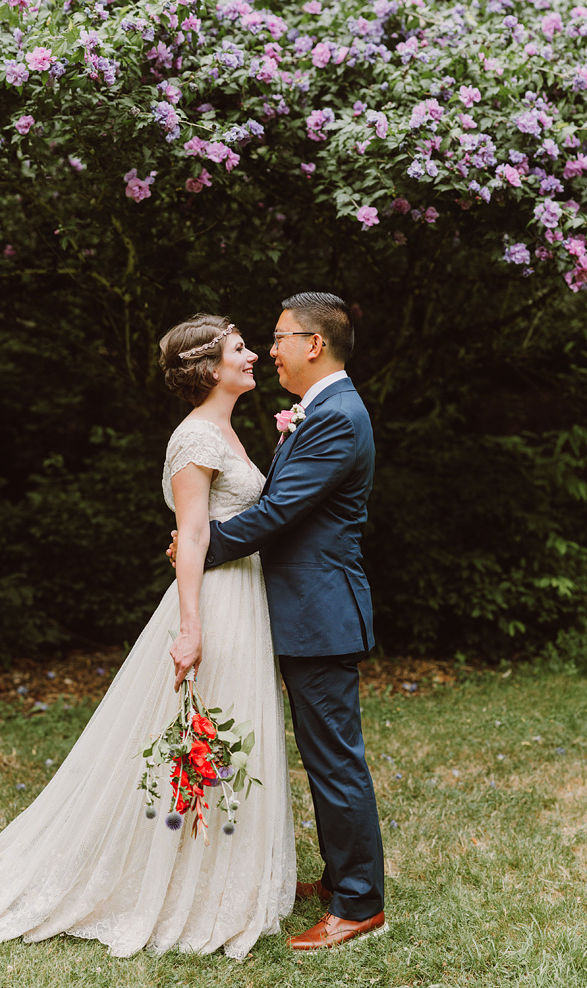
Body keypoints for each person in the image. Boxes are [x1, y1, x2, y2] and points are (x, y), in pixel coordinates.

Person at [0, 314, 295, 958]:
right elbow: (191, 535)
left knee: (225, 734)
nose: (253, 357)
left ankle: (217, 875)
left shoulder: (225, 431)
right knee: (196, 735)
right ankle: (173, 879)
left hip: (246, 596)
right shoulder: (193, 440)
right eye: (241, 349)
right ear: (211, 367)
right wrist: (191, 627)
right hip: (214, 602)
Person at [191, 291, 387, 950]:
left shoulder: (336, 414)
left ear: (315, 343)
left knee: (335, 761)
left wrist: (203, 546)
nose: (271, 350)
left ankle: (359, 904)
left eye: (279, 337)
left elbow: (280, 512)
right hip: (305, 608)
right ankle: (339, 880)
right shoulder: (322, 409)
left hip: (321, 611)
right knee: (323, 753)